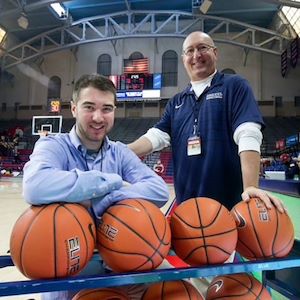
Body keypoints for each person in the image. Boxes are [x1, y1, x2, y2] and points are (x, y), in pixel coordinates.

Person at [22, 74, 169, 300]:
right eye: (89, 107)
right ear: (73, 109)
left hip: (115, 267)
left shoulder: (119, 152)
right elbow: (34, 186)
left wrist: (110, 197)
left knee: (174, 282)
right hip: (67, 268)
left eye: (107, 109)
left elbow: (158, 190)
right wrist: (107, 182)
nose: (98, 117)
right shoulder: (53, 145)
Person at [129, 31, 285, 214]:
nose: (196, 55)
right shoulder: (176, 102)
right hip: (187, 210)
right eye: (190, 51)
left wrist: (250, 186)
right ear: (183, 59)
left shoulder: (235, 86)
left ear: (215, 53)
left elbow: (248, 132)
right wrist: (121, 151)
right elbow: (156, 137)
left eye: (202, 48)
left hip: (230, 208)